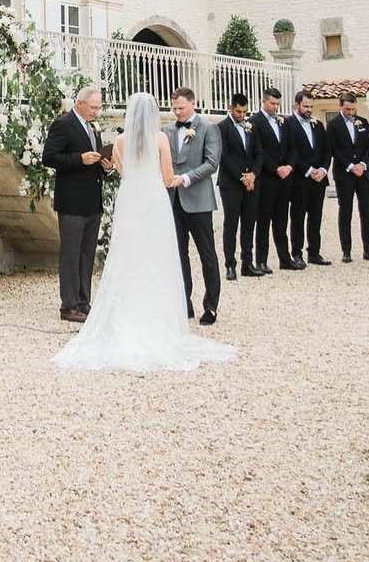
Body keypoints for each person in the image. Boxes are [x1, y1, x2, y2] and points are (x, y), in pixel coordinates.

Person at [54, 93, 234, 373]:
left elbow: (122, 172)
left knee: (128, 255)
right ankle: (158, 315)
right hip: (153, 200)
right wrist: (172, 178)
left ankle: (126, 314)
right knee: (156, 257)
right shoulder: (160, 138)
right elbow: (167, 178)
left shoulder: (121, 141)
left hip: (130, 200)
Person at [42, 86, 105, 323]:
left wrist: (105, 165)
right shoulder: (63, 124)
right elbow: (49, 157)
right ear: (80, 104)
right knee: (71, 255)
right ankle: (68, 306)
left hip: (92, 201)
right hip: (71, 202)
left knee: (87, 255)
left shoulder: (92, 126)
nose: (97, 112)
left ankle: (83, 301)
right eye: (93, 107)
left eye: (99, 108)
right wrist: (79, 159)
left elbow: (96, 159)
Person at [166, 87, 223, 324]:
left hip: (199, 201)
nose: (177, 112)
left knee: (207, 254)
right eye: (174, 108)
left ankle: (211, 306)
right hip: (173, 200)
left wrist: (186, 178)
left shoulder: (208, 127)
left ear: (193, 103)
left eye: (181, 107)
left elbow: (211, 163)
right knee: (179, 254)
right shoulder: (167, 130)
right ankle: (184, 303)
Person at [326, 92, 369, 261]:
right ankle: (346, 251)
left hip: (364, 173)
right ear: (340, 106)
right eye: (347, 109)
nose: (350, 112)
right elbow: (333, 149)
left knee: (366, 211)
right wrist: (350, 166)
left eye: (353, 109)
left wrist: (363, 164)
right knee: (345, 211)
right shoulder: (333, 125)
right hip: (344, 174)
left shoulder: (363, 122)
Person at [216, 92, 263, 280]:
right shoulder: (221, 128)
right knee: (231, 223)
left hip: (251, 182)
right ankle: (230, 264)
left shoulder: (252, 127)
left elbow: (259, 153)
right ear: (230, 108)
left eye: (244, 112)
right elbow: (224, 156)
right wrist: (242, 177)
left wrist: (253, 174)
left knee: (249, 223)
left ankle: (247, 263)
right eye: (238, 111)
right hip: (230, 184)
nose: (241, 115)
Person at [284, 90, 333, 266]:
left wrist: (323, 170)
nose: (309, 110)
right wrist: (309, 170)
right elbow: (290, 152)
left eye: (311, 106)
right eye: (305, 106)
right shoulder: (287, 124)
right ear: (296, 105)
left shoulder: (317, 124)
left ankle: (314, 252)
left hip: (319, 179)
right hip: (299, 179)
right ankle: (297, 253)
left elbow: (327, 150)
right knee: (298, 217)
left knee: (316, 217)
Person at [252, 86, 296, 273]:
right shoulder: (254, 122)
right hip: (266, 179)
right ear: (263, 101)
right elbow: (258, 150)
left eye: (277, 104)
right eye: (272, 103)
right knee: (263, 221)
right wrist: (275, 168)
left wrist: (289, 166)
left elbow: (292, 147)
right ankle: (261, 260)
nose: (275, 107)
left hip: (284, 179)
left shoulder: (283, 122)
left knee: (281, 220)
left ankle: (285, 258)